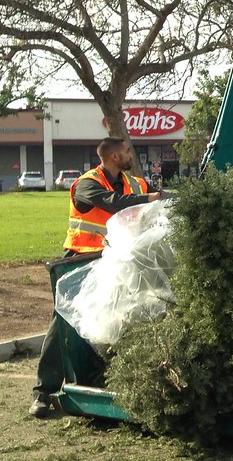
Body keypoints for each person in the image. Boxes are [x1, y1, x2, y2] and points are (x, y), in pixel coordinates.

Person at [29, 137, 164, 418]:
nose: (131, 155)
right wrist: (149, 199)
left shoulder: (136, 183)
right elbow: (114, 204)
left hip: (117, 261)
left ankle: (104, 377)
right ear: (114, 156)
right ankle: (43, 392)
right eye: (128, 151)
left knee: (122, 316)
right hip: (81, 261)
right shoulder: (87, 183)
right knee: (63, 322)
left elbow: (157, 200)